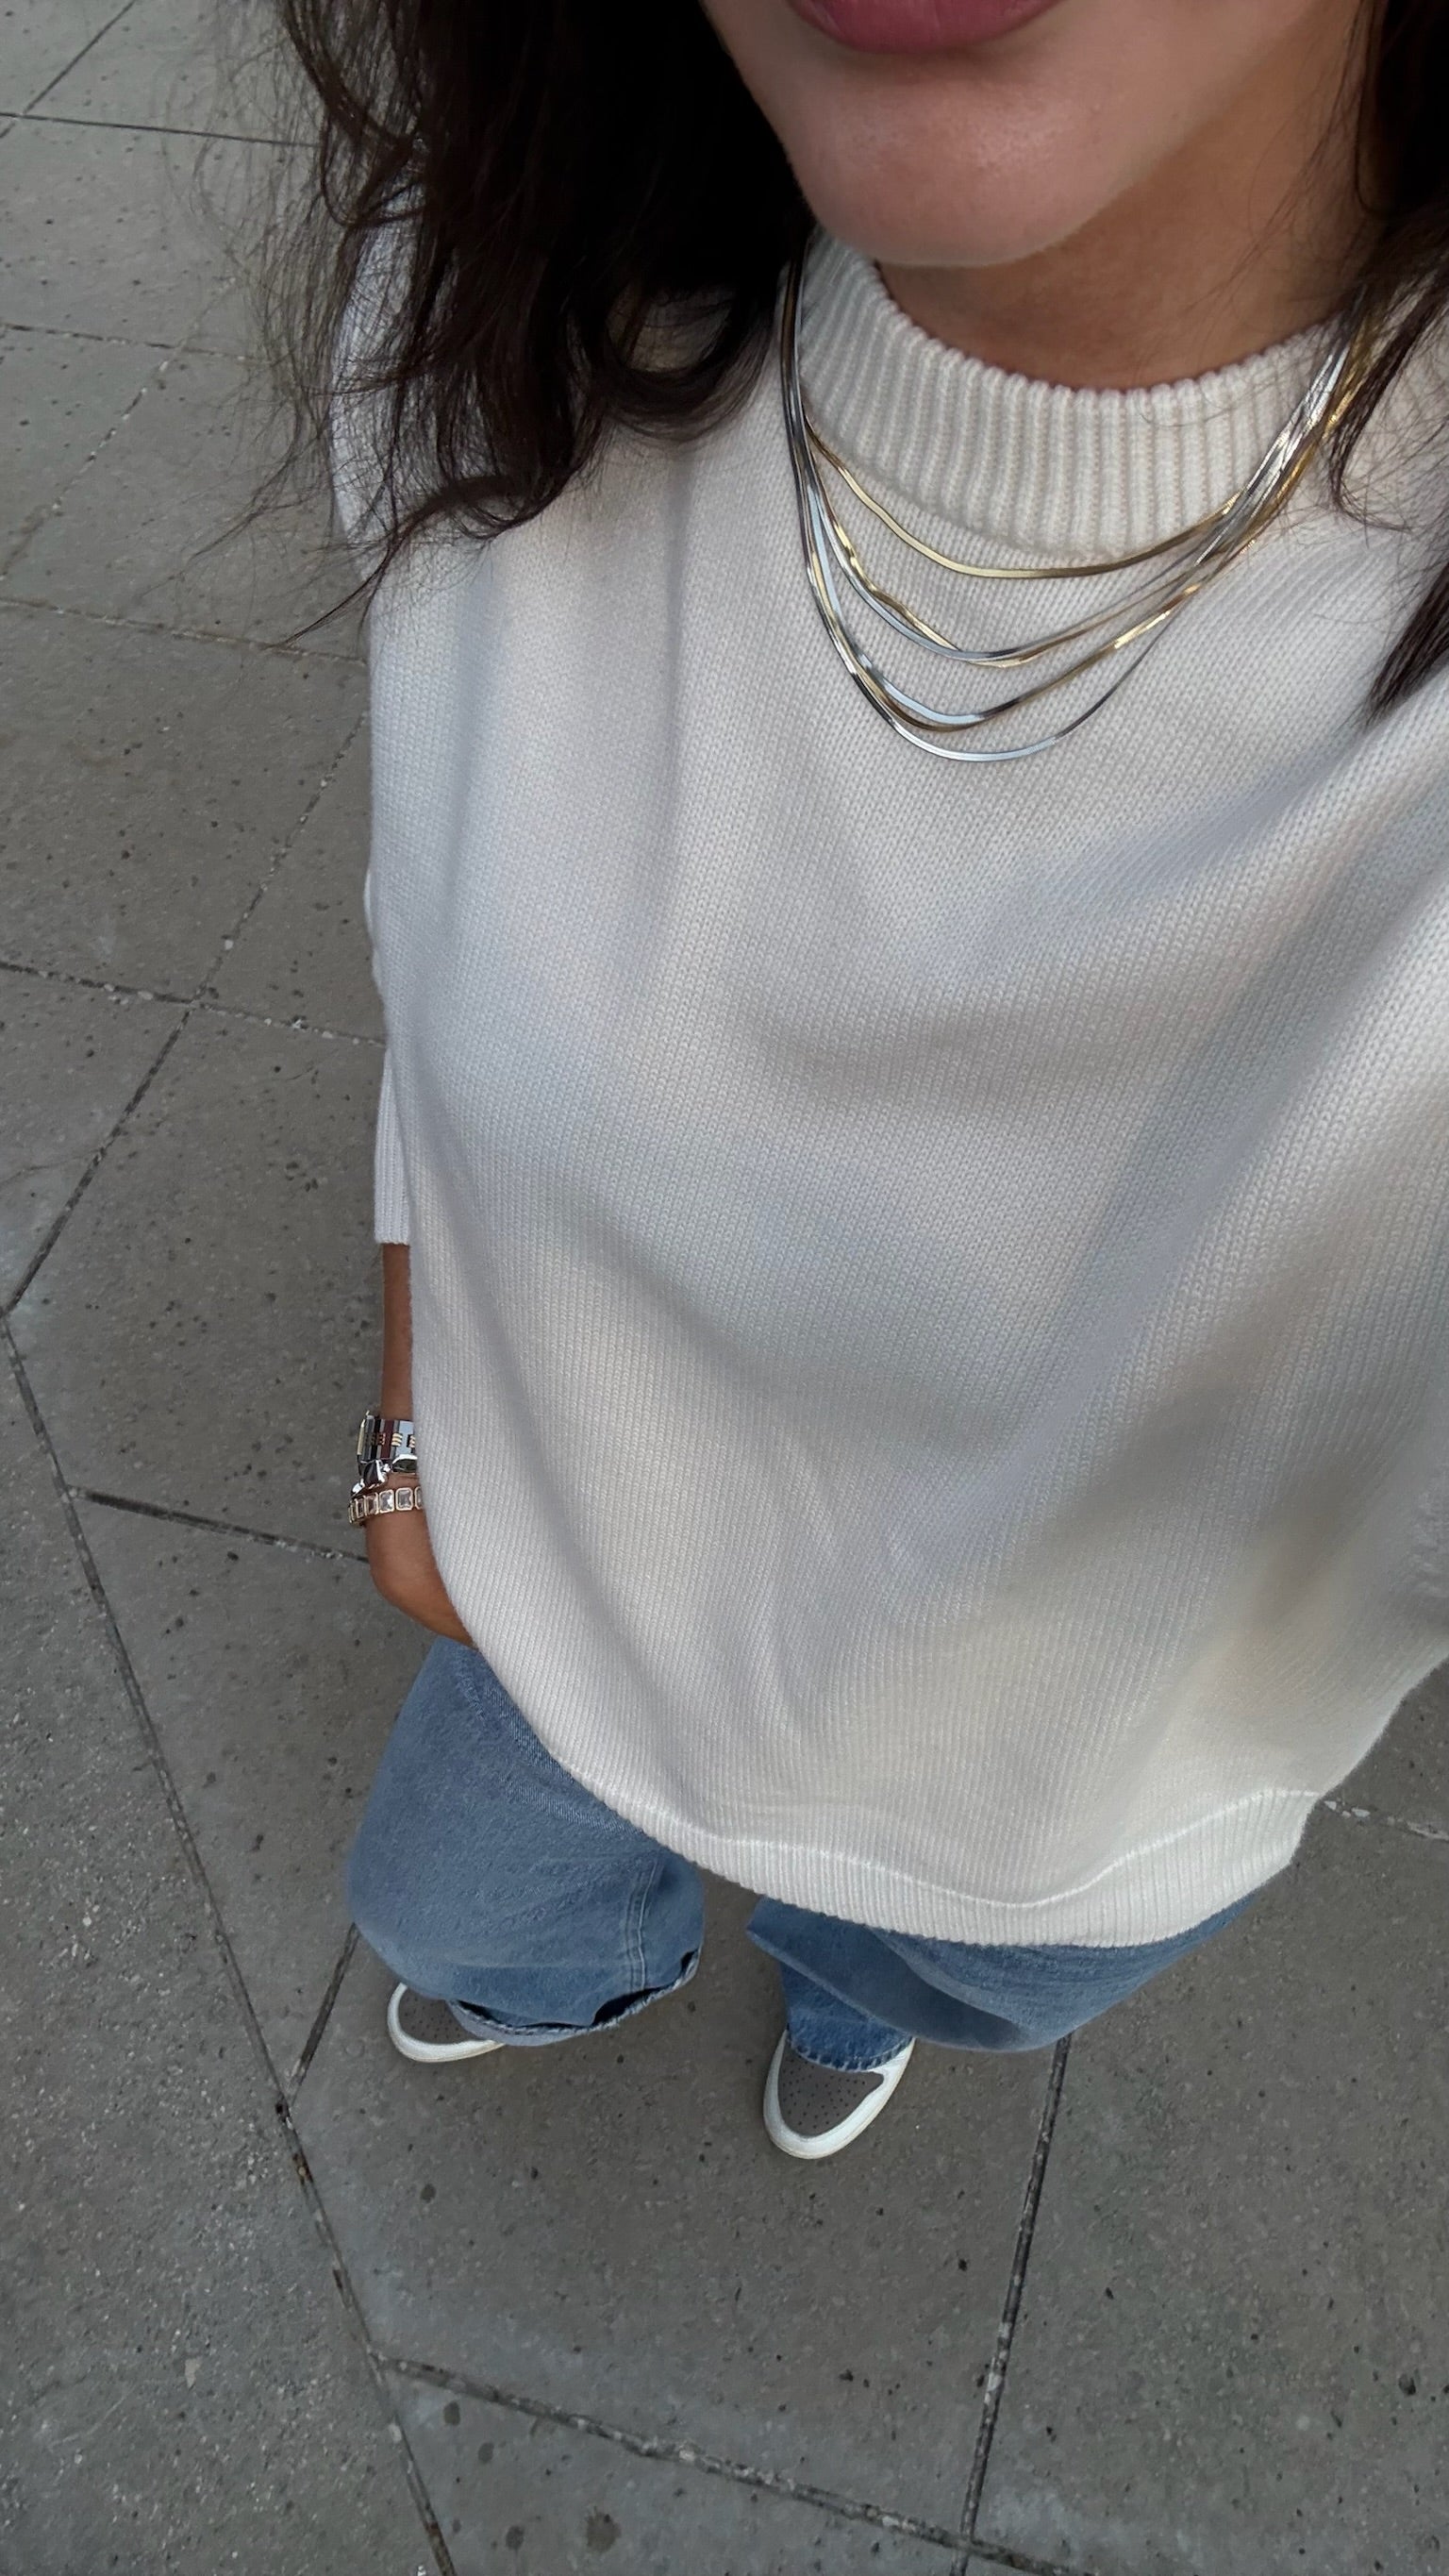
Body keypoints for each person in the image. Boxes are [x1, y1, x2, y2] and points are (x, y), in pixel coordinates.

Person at [270, 0, 1449, 2160]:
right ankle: (579, 1970)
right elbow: (430, 923)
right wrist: (412, 1413)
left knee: (914, 1972)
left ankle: (850, 1989)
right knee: (458, 1909)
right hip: (555, 1605)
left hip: (1053, 1798)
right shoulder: (505, 292)